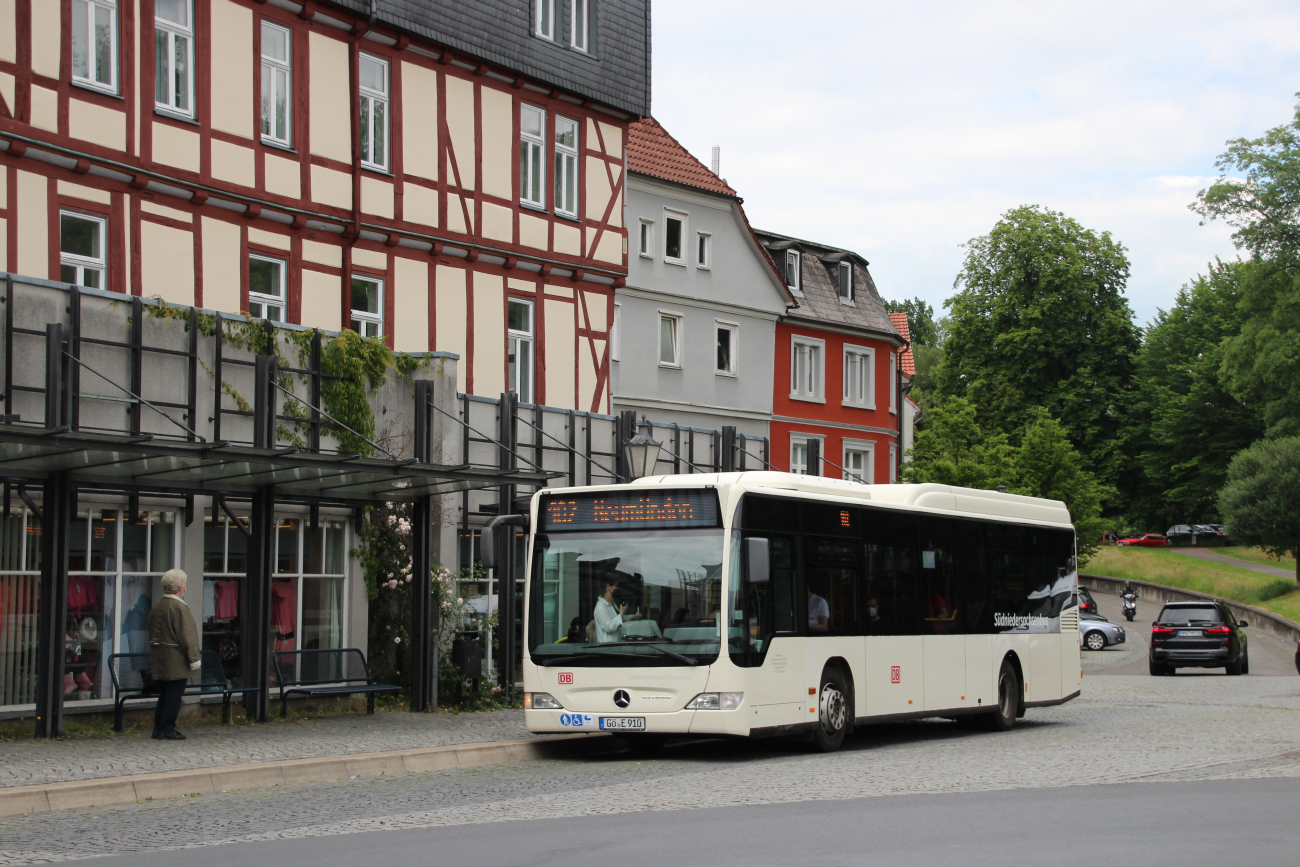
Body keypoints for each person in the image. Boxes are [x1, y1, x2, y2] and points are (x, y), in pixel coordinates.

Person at [148, 569, 201, 740]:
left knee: (164, 694)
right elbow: (187, 636)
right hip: (175, 658)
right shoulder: (179, 607)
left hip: (160, 656)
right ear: (180, 587)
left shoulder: (157, 605)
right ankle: (166, 728)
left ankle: (159, 727)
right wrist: (194, 659)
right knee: (173, 695)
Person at [593, 577, 641, 642]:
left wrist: (634, 617)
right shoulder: (601, 606)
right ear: (608, 586)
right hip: (607, 648)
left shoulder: (613, 603)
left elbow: (619, 619)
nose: (618, 589)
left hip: (617, 644)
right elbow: (609, 627)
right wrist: (621, 614)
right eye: (616, 586)